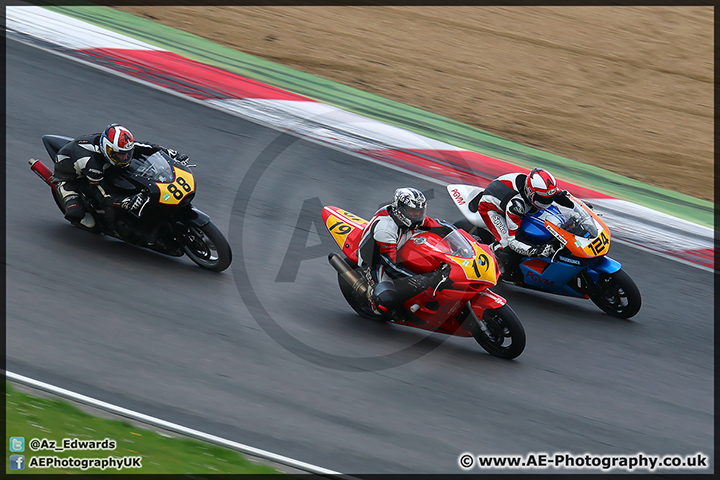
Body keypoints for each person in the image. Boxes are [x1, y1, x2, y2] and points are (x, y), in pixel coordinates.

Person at [52, 123, 189, 239]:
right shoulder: (92, 165)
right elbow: (101, 193)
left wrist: (172, 154)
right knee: (78, 214)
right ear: (108, 150)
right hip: (72, 178)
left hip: (101, 164)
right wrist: (124, 202)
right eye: (120, 154)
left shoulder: (118, 147)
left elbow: (146, 147)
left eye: (127, 153)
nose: (125, 157)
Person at [357, 187, 454, 318]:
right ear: (399, 209)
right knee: (387, 301)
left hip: (399, 247)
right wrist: (416, 279)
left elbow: (440, 225)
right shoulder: (386, 229)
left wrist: (467, 239)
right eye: (412, 211)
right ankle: (372, 298)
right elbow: (390, 265)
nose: (417, 215)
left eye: (420, 211)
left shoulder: (410, 217)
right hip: (376, 260)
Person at [467, 167, 574, 282]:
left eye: (549, 198)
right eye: (542, 198)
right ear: (531, 193)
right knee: (507, 246)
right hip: (490, 208)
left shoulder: (542, 189)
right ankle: (486, 253)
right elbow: (513, 241)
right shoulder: (516, 205)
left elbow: (561, 195)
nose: (547, 202)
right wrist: (536, 251)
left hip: (506, 196)